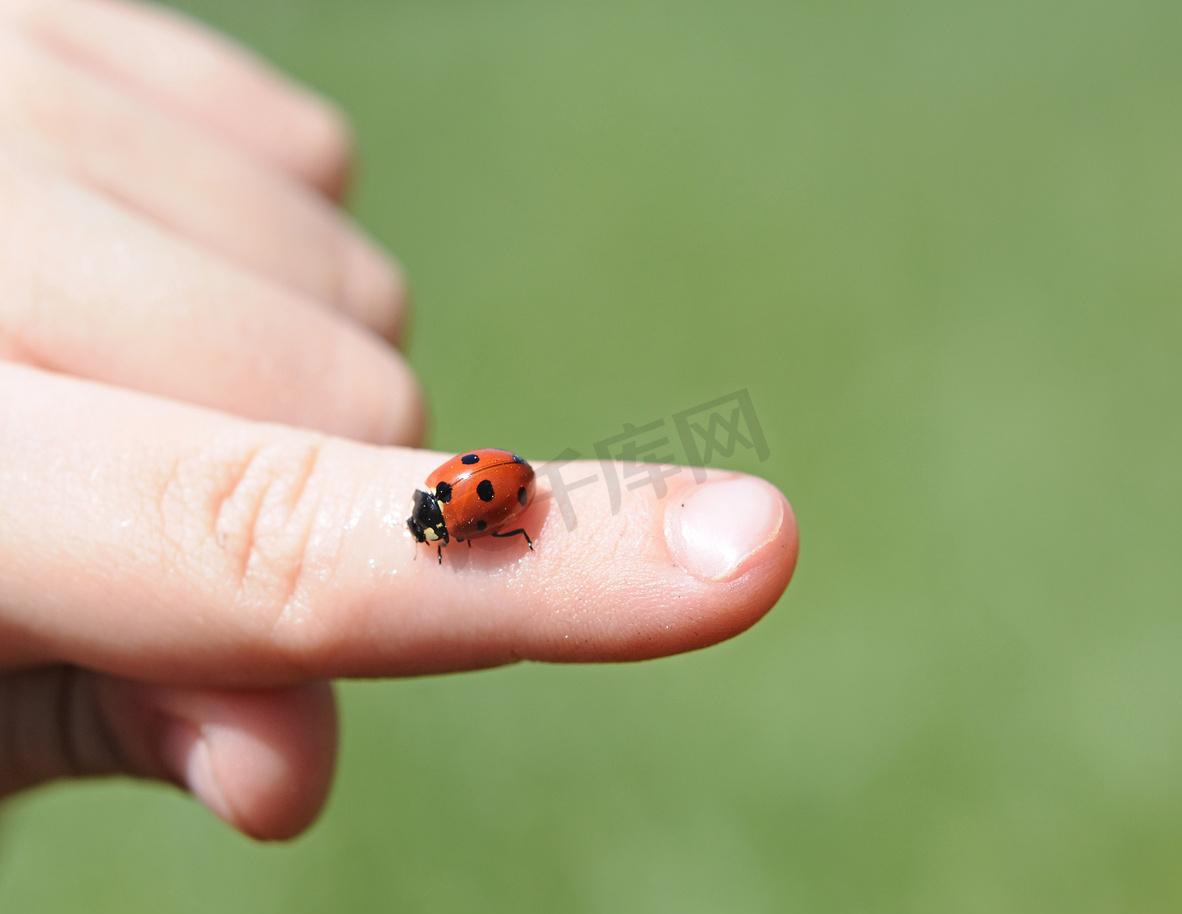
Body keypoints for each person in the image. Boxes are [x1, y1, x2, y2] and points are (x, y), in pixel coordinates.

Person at [0, 0, 798, 840]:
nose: (435, 531)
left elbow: (497, 496)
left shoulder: (456, 503)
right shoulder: (451, 503)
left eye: (435, 528)